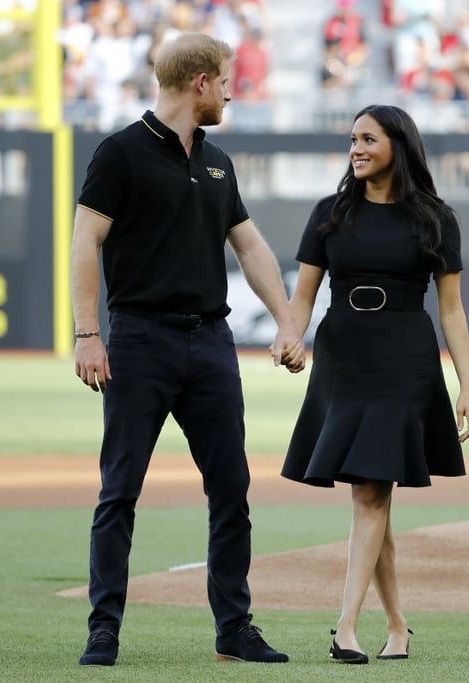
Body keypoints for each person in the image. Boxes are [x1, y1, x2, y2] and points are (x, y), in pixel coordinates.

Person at [70, 31, 304, 667]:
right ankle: (103, 631)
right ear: (200, 81)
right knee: (119, 491)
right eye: (226, 79)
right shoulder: (119, 153)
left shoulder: (217, 160)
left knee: (231, 490)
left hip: (210, 342)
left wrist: (287, 321)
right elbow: (85, 241)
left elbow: (250, 246)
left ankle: (235, 630)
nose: (232, 90)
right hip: (139, 339)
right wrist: (87, 333)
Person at [281, 104, 469, 664]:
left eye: (368, 138)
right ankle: (396, 625)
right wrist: (289, 337)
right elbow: (302, 296)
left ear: (399, 144)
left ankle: (344, 627)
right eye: (352, 140)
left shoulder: (437, 218)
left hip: (404, 358)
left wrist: (466, 386)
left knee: (370, 491)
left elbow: (453, 310)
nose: (356, 149)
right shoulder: (329, 213)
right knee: (373, 489)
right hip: (343, 356)